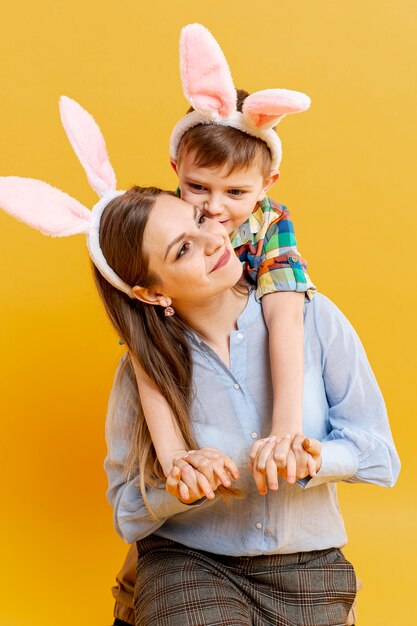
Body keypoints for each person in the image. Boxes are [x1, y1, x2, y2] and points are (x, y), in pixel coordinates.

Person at [98, 187, 400, 625]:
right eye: (183, 249)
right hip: (190, 562)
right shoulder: (145, 368)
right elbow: (126, 507)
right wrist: (177, 491)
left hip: (308, 569)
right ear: (151, 294)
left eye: (200, 220)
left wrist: (313, 458)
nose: (215, 240)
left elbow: (379, 456)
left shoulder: (314, 317)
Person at [131, 23, 317, 504]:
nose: (214, 208)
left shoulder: (270, 220)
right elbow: (143, 337)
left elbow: (284, 314)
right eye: (198, 187)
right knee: (143, 340)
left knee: (289, 316)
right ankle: (172, 470)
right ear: (176, 170)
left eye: (236, 192)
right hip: (181, 333)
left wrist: (286, 429)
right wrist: (175, 455)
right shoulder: (169, 223)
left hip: (244, 346)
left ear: (267, 183)